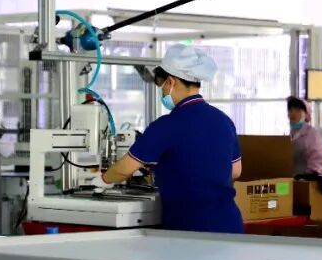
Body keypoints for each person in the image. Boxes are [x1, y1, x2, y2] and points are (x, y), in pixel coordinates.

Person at [90, 44, 244, 233]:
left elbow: (125, 169)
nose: (162, 91)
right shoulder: (224, 120)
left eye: (161, 86)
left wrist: (102, 180)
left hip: (192, 228)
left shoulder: (166, 125)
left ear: (171, 82)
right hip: (229, 223)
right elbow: (235, 171)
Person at [288, 97, 322, 175]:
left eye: (297, 110)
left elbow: (317, 163)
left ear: (306, 114)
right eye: (290, 110)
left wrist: (304, 177)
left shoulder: (313, 135)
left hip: (307, 180)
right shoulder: (290, 134)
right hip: (289, 179)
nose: (293, 113)